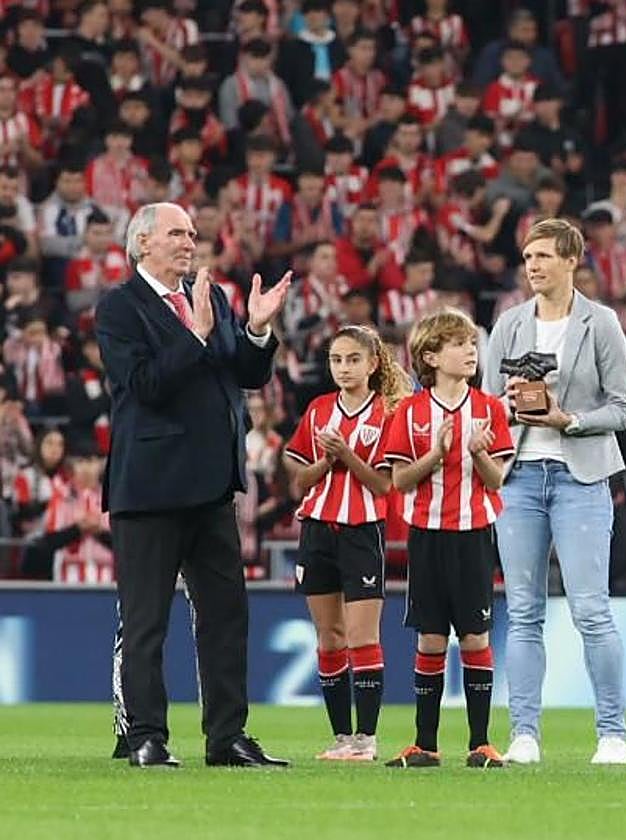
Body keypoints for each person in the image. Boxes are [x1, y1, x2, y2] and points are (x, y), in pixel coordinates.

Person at [94, 202, 291, 768]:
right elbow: (144, 386)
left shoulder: (214, 297)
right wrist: (197, 336)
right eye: (176, 232)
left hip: (212, 487)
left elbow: (246, 375)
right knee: (146, 619)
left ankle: (227, 737)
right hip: (150, 488)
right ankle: (145, 736)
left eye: (192, 232)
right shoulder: (120, 307)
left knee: (227, 616)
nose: (189, 241)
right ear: (142, 245)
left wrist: (255, 329)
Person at [482, 218, 626, 766]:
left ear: (573, 259)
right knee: (523, 611)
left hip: (582, 477)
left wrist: (567, 419)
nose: (534, 266)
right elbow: (485, 407)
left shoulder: (602, 323)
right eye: (528, 257)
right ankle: (524, 733)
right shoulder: (509, 324)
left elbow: (624, 409)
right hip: (519, 477)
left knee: (592, 610)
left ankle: (613, 733)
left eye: (544, 255)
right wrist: (504, 406)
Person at [385, 308, 514, 769]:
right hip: (427, 537)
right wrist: (436, 456)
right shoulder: (412, 411)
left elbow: (496, 480)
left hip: (474, 535)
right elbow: (399, 481)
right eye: (460, 345)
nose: (470, 352)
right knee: (431, 640)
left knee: (476, 636)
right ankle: (425, 745)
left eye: (473, 345)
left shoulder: (490, 409)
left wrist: (478, 455)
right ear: (431, 356)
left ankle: (480, 743)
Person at [283, 324, 409, 762]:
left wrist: (347, 455)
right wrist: (325, 460)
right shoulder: (318, 410)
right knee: (329, 636)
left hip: (362, 531)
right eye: (336, 360)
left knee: (361, 635)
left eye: (353, 359)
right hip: (317, 529)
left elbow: (382, 485)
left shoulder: (389, 413)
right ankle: (341, 739)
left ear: (373, 364)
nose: (343, 368)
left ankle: (367, 739)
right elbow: (300, 479)